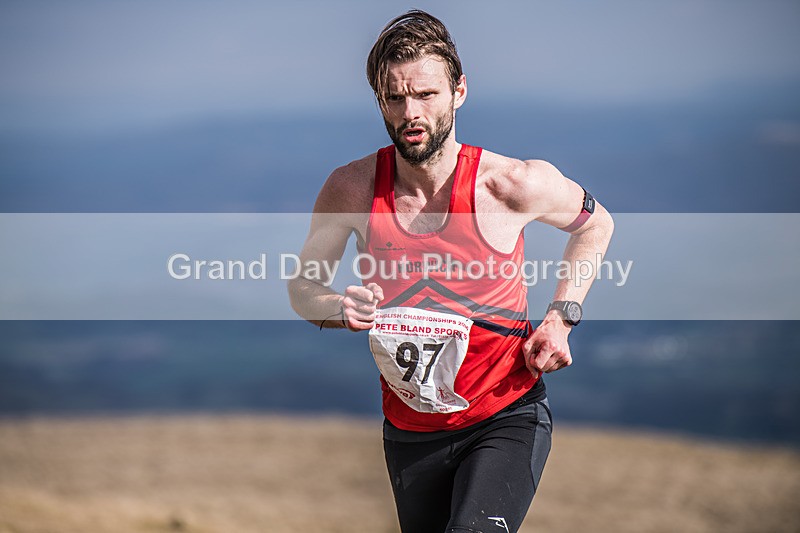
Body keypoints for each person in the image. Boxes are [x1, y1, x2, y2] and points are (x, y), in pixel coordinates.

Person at [288, 9, 614, 533]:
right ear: (380, 101)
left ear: (459, 91)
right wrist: (337, 307)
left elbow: (596, 225)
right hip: (410, 430)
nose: (410, 113)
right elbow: (303, 287)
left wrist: (561, 317)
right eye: (395, 98)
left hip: (505, 413)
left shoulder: (512, 184)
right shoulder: (351, 189)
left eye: (426, 94)